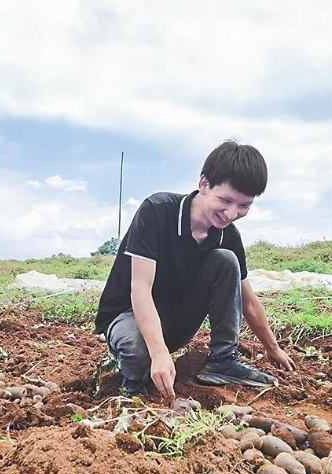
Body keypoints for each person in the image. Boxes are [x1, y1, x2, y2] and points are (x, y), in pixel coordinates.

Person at [94, 139, 296, 402]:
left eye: (244, 205)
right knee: (138, 351)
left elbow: (249, 301)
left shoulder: (227, 236)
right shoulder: (157, 212)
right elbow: (140, 289)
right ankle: (132, 389)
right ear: (203, 185)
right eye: (225, 200)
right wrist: (158, 353)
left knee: (225, 260)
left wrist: (273, 348)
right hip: (128, 315)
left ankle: (222, 361)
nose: (232, 213)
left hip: (175, 323)